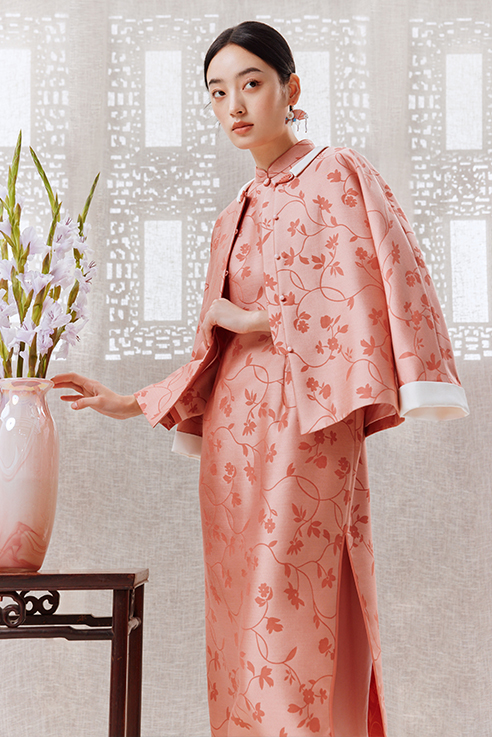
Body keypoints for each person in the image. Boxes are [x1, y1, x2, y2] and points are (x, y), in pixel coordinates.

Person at [52, 21, 469, 737]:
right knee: (240, 614)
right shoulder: (231, 217)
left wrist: (258, 319)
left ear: (290, 88)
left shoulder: (335, 174)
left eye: (250, 84)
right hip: (232, 444)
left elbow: (366, 295)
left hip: (308, 425)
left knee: (292, 604)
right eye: (218, 93)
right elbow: (211, 353)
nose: (235, 106)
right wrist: (130, 401)